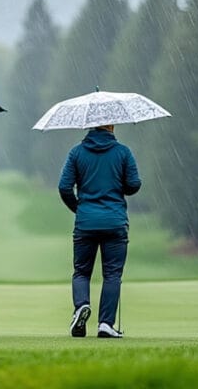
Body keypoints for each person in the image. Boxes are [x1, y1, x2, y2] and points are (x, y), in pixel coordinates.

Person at [58, 124, 141, 339]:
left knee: (82, 271)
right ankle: (105, 324)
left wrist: (79, 208)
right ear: (111, 125)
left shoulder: (76, 152)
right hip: (115, 221)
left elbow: (64, 187)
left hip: (86, 222)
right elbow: (133, 185)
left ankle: (81, 307)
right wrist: (118, 180)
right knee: (112, 274)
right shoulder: (123, 152)